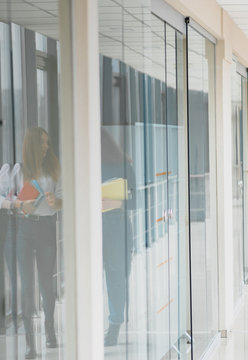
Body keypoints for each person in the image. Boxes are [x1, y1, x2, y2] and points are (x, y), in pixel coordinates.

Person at [13, 127, 62, 359]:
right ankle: (30, 343)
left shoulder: (53, 170)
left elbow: (63, 201)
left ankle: (50, 330)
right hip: (24, 229)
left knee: (46, 282)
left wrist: (55, 201)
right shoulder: (18, 171)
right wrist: (21, 204)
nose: (46, 147)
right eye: (42, 143)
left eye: (47, 143)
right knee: (27, 287)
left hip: (46, 228)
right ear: (32, 145)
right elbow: (7, 197)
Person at [100, 128, 136, 347]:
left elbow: (136, 200)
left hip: (116, 225)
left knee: (116, 277)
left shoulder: (124, 165)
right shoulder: (84, 167)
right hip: (91, 226)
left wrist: (112, 203)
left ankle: (115, 325)